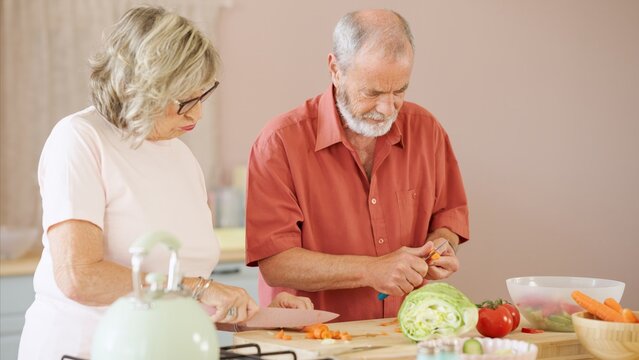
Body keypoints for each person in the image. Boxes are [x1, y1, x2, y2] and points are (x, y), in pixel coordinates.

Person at [18, 6, 311, 359]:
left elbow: (177, 293)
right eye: (184, 101)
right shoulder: (79, 139)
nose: (197, 113)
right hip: (86, 351)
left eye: (203, 96)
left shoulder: (181, 158)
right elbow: (80, 278)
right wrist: (200, 289)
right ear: (137, 88)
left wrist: (252, 313)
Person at [245, 9, 469, 322]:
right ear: (335, 69)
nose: (387, 108)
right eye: (372, 92)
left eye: (399, 90)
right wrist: (371, 270)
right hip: (311, 340)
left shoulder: (427, 130)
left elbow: (449, 217)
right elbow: (276, 263)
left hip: (401, 336)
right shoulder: (279, 143)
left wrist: (440, 246)